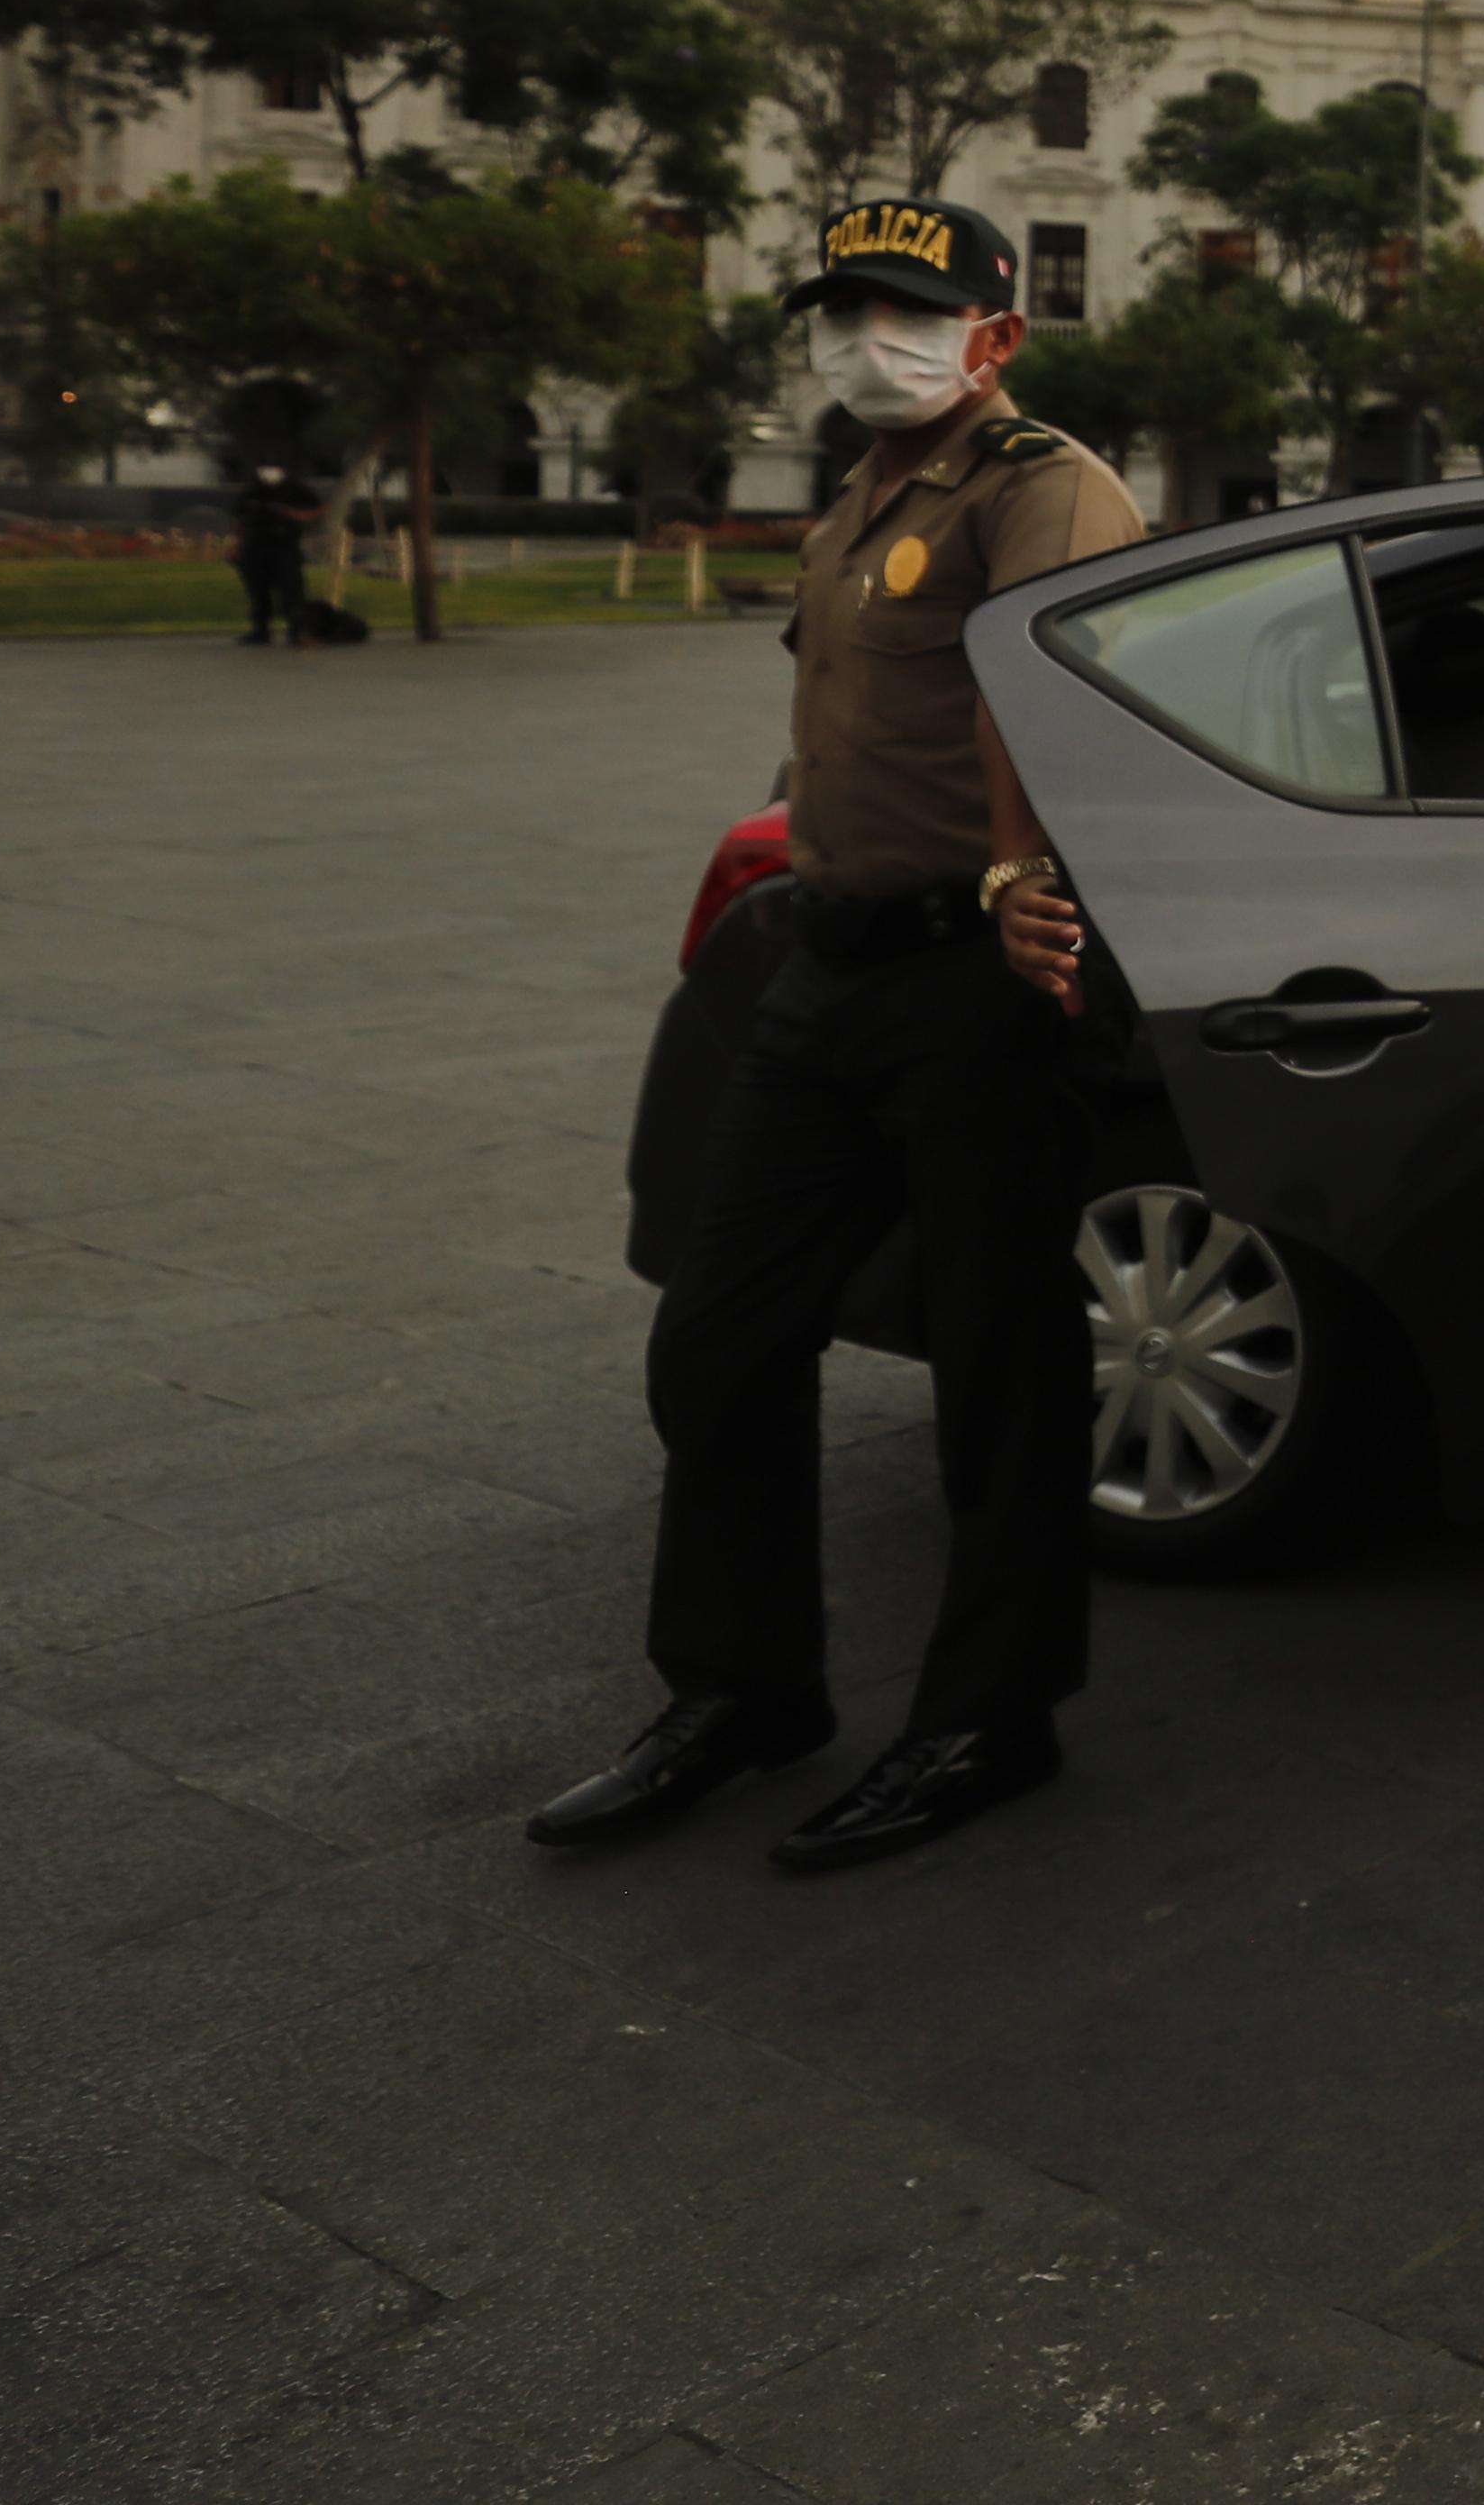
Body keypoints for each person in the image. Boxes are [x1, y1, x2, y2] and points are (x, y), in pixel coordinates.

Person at [526, 196, 1143, 1874]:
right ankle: (743, 1692)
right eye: (847, 307)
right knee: (720, 1338)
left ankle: (990, 1718)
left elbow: (1048, 688)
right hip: (833, 963)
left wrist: (1024, 864)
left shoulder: (1042, 487)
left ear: (995, 336)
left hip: (979, 975)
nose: (869, 337)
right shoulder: (854, 499)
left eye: (908, 311)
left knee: (998, 1369)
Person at [227, 463, 321, 644]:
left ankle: (296, 630)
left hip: (285, 546)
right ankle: (260, 630)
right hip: (256, 545)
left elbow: (318, 508)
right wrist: (236, 545)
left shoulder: (294, 490)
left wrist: (296, 515)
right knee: (258, 590)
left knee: (291, 590)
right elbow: (239, 519)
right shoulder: (252, 492)